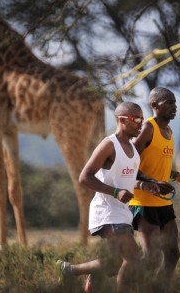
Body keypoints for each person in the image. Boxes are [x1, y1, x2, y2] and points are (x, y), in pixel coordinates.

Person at [56, 101, 159, 292]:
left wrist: (144, 185)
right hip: (107, 212)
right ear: (121, 120)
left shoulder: (134, 150)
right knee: (133, 260)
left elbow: (126, 181)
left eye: (142, 119)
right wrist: (114, 192)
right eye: (136, 119)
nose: (140, 123)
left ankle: (70, 270)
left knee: (115, 263)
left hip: (123, 213)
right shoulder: (109, 145)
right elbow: (84, 177)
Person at [130, 87, 180, 288]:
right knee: (151, 258)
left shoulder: (169, 131)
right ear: (154, 105)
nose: (174, 107)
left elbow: (160, 168)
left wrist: (177, 175)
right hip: (143, 202)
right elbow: (129, 165)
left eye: (175, 103)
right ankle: (110, 274)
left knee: (173, 254)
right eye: (169, 102)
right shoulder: (148, 128)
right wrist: (151, 183)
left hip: (163, 203)